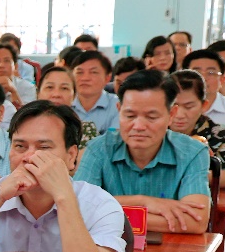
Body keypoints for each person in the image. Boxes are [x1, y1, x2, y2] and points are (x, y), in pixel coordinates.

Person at [0, 101, 126, 252]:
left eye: (43, 147)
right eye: (20, 146)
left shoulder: (100, 205)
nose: (29, 157)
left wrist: (64, 197)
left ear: (71, 156)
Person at [75, 71, 211, 233]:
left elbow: (195, 221)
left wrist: (106, 213)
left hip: (171, 247)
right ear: (119, 110)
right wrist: (143, 202)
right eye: (130, 115)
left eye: (151, 117)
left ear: (171, 115)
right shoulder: (98, 148)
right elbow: (77, 208)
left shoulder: (193, 152)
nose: (139, 126)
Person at [167, 69, 225, 189]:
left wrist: (197, 175)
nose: (180, 114)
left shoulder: (219, 134)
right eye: (173, 106)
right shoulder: (153, 131)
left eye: (189, 107)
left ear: (204, 105)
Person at [70, 50, 119, 136]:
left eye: (93, 72)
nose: (85, 78)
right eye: (79, 72)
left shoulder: (118, 105)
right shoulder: (65, 104)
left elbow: (114, 140)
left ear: (107, 78)